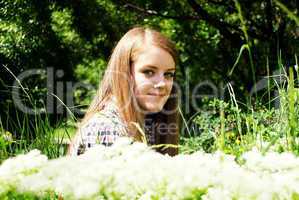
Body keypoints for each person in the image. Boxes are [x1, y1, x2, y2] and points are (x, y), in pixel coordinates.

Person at [67, 26, 180, 157]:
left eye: (168, 74)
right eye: (149, 72)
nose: (162, 83)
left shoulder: (148, 125)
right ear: (123, 73)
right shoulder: (107, 129)